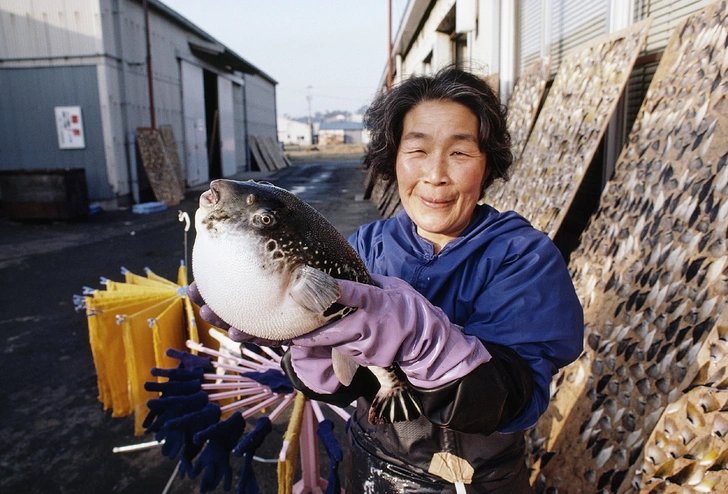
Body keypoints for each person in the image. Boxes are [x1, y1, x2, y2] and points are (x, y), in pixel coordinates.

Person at [197, 66, 584, 493]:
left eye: (459, 153)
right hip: (370, 469)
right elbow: (351, 383)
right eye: (417, 151)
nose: (435, 174)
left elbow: (516, 398)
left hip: (477, 482)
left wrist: (422, 341)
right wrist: (304, 345)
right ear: (393, 158)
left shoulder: (523, 256)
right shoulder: (367, 243)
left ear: (487, 162)